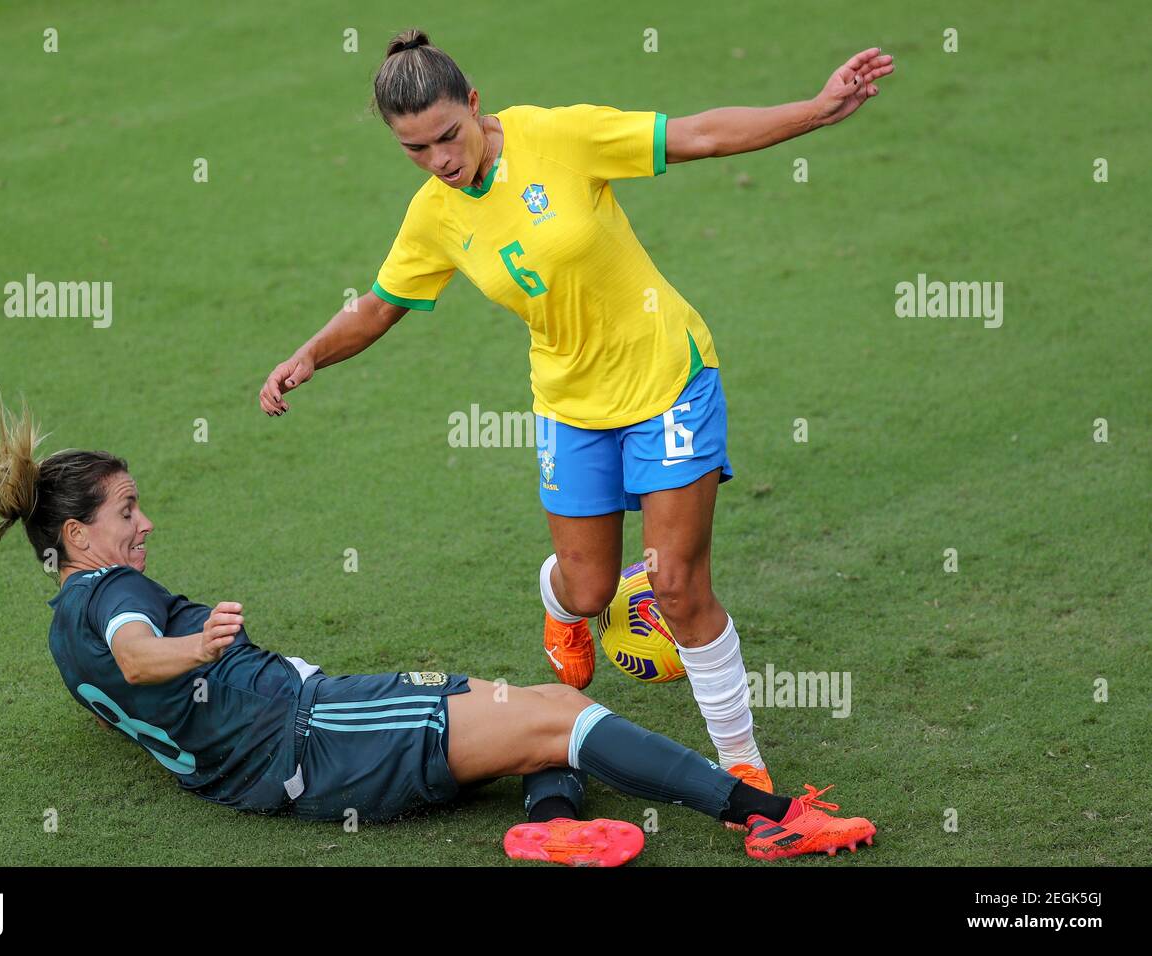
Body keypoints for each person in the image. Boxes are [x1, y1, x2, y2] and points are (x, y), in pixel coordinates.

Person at [257, 29, 895, 811]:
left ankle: (743, 765)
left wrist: (820, 110)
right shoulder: (436, 214)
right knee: (591, 587)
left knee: (677, 586)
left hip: (667, 381)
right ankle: (563, 610)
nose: (438, 160)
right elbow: (383, 305)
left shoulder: (559, 136)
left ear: (476, 105)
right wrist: (312, 354)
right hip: (570, 405)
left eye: (448, 136)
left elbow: (696, 133)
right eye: (414, 149)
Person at [0, 400, 876, 865]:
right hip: (312, 737)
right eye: (128, 510)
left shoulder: (63, 629)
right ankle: (769, 819)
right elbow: (138, 654)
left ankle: (552, 824)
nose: (144, 524)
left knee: (526, 708)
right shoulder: (112, 597)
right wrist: (200, 648)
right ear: (79, 537)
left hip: (292, 743)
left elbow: (115, 692)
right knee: (557, 712)